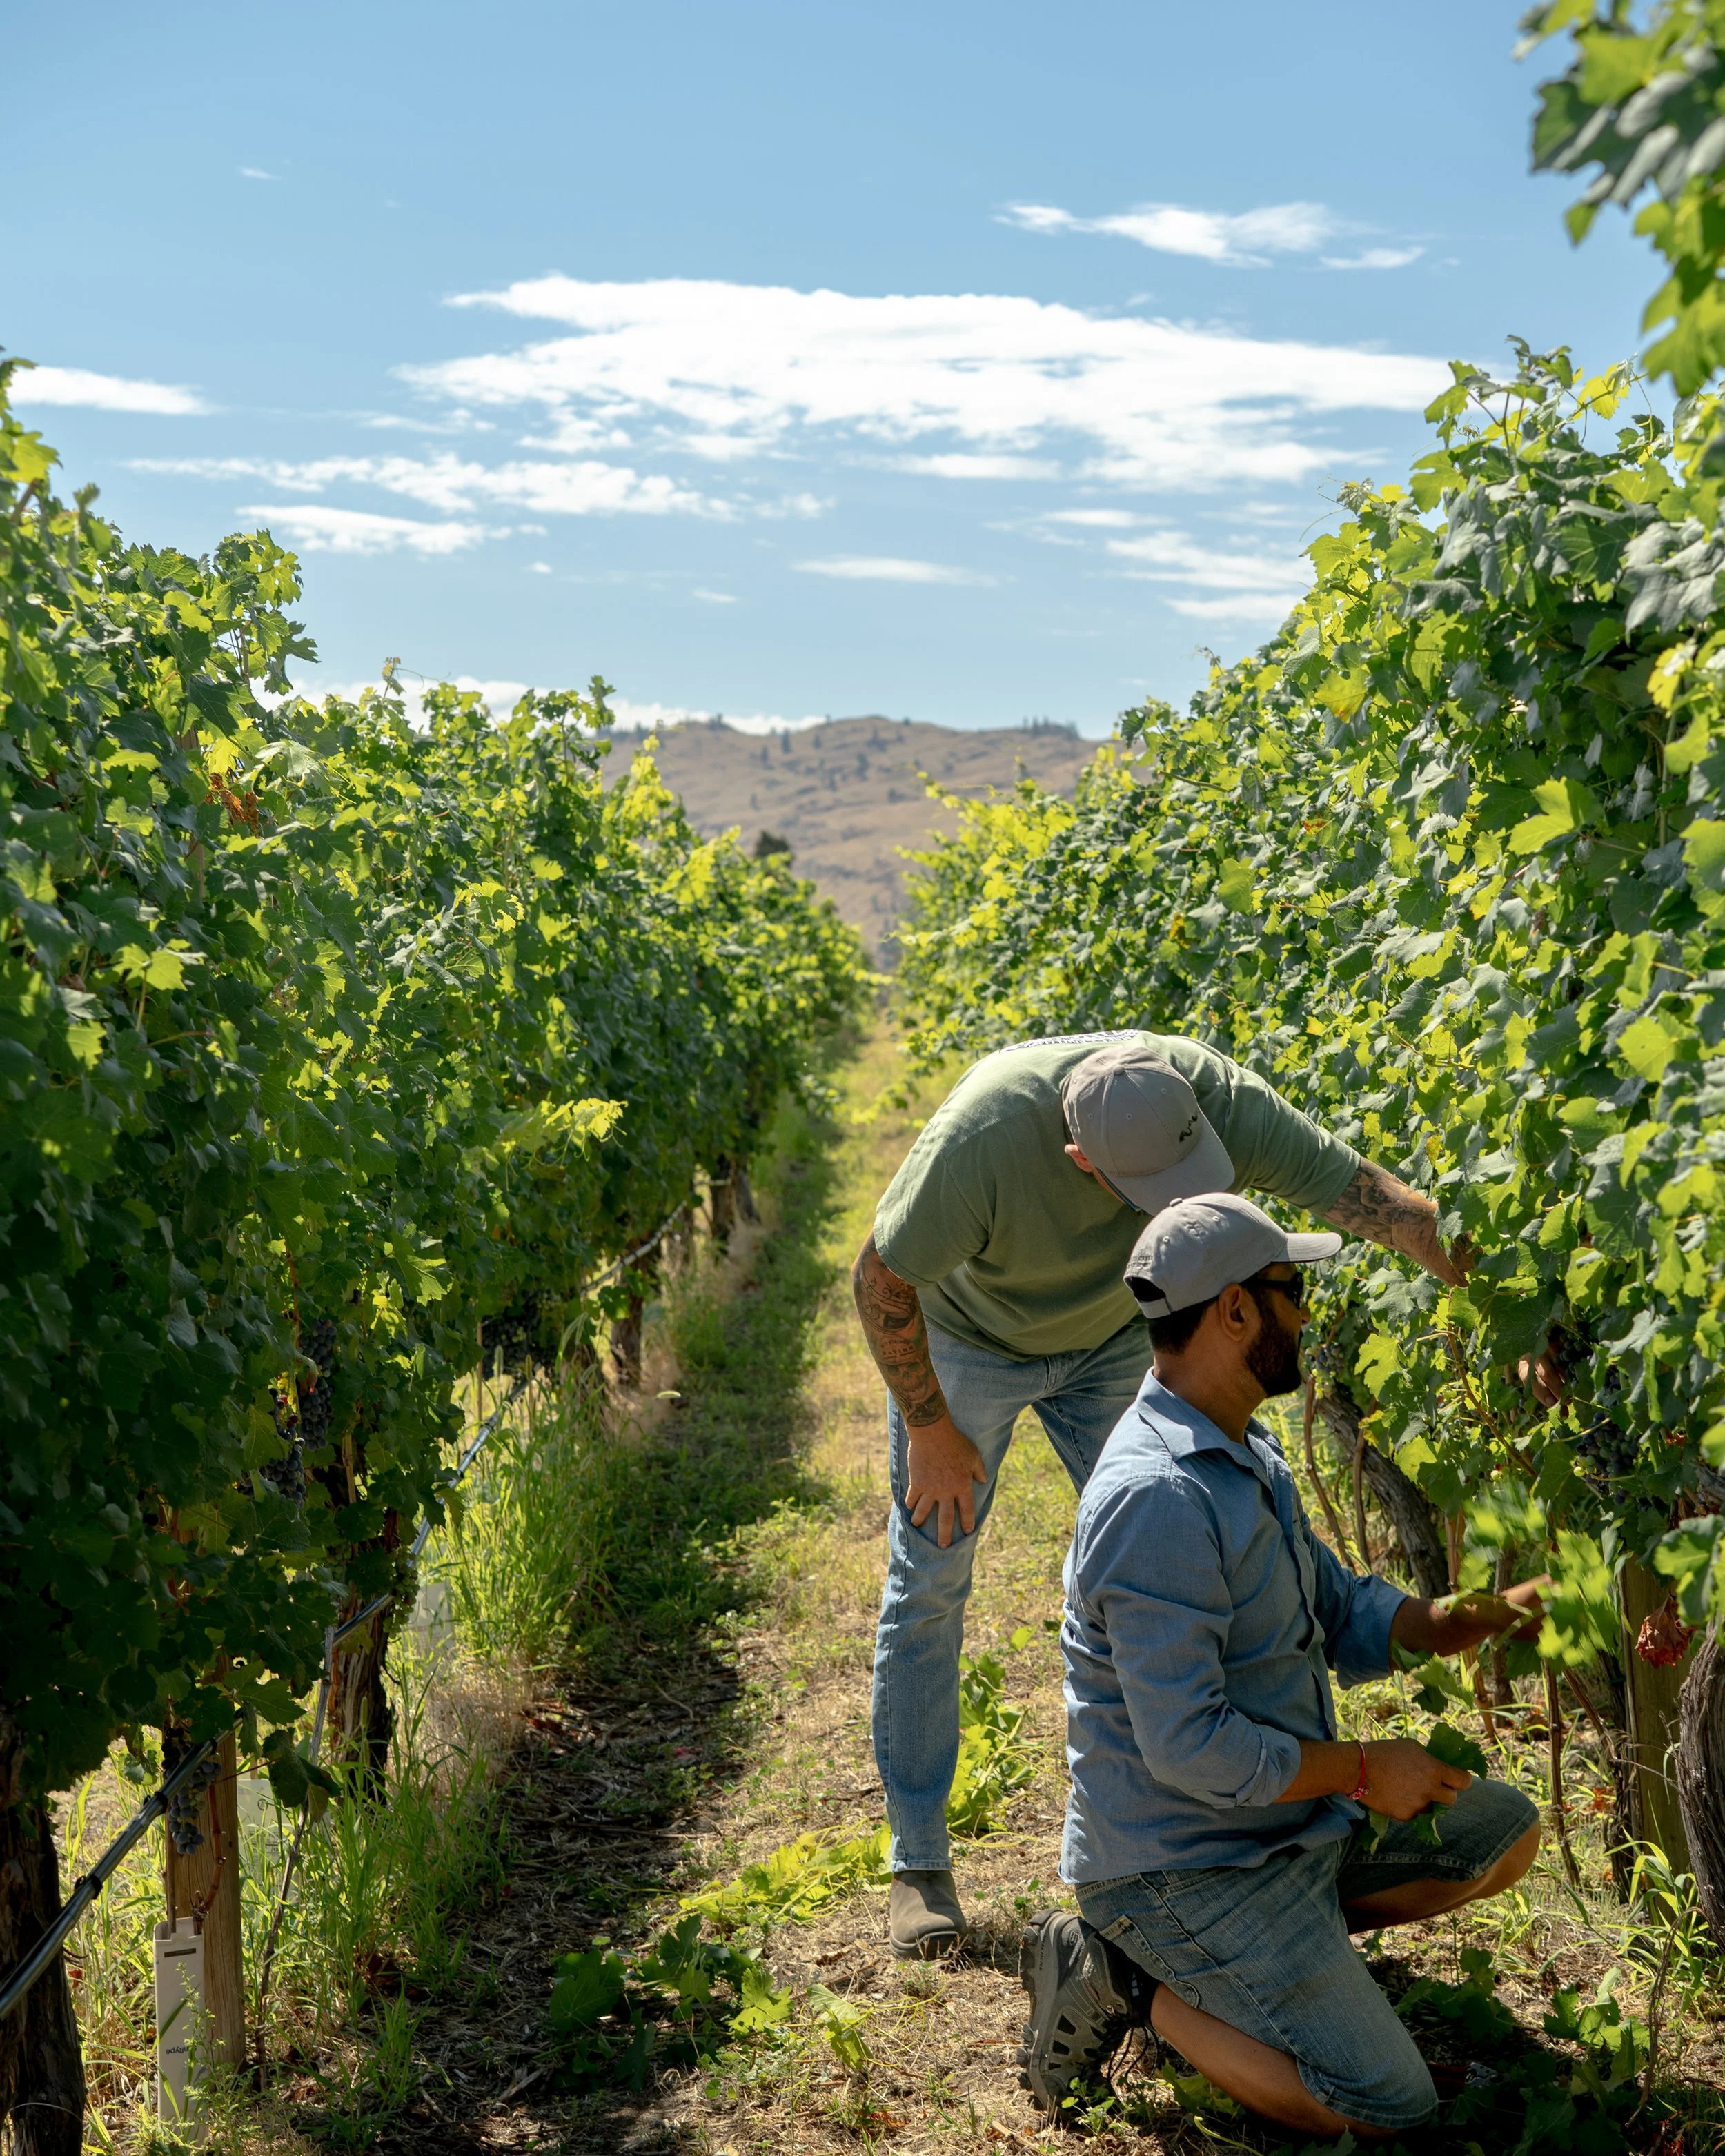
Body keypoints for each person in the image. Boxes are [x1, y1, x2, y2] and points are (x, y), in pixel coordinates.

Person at [854, 1029, 1466, 1960]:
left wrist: (1513, 1305)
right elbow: (879, 1277)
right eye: (1153, 1191)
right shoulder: (979, 1144)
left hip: (1110, 1336)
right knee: (931, 1581)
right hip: (969, 1344)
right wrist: (931, 1428)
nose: (1184, 1200)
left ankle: (1244, 1835)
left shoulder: (1212, 1097)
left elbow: (1376, 1203)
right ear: (1077, 1160)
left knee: (1212, 1537)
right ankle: (920, 1863)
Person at [1015, 1191, 1545, 2137]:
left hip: (1286, 1825)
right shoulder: (1158, 1500)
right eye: (1291, 1291)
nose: (1307, 1314)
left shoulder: (1243, 1445)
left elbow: (1336, 1609)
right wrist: (1363, 1770)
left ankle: (1270, 1966)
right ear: (1233, 1311)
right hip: (1187, 1867)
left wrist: (1469, 1621)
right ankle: (1131, 1977)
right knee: (1389, 2104)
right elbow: (1190, 1747)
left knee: (1497, 1833)